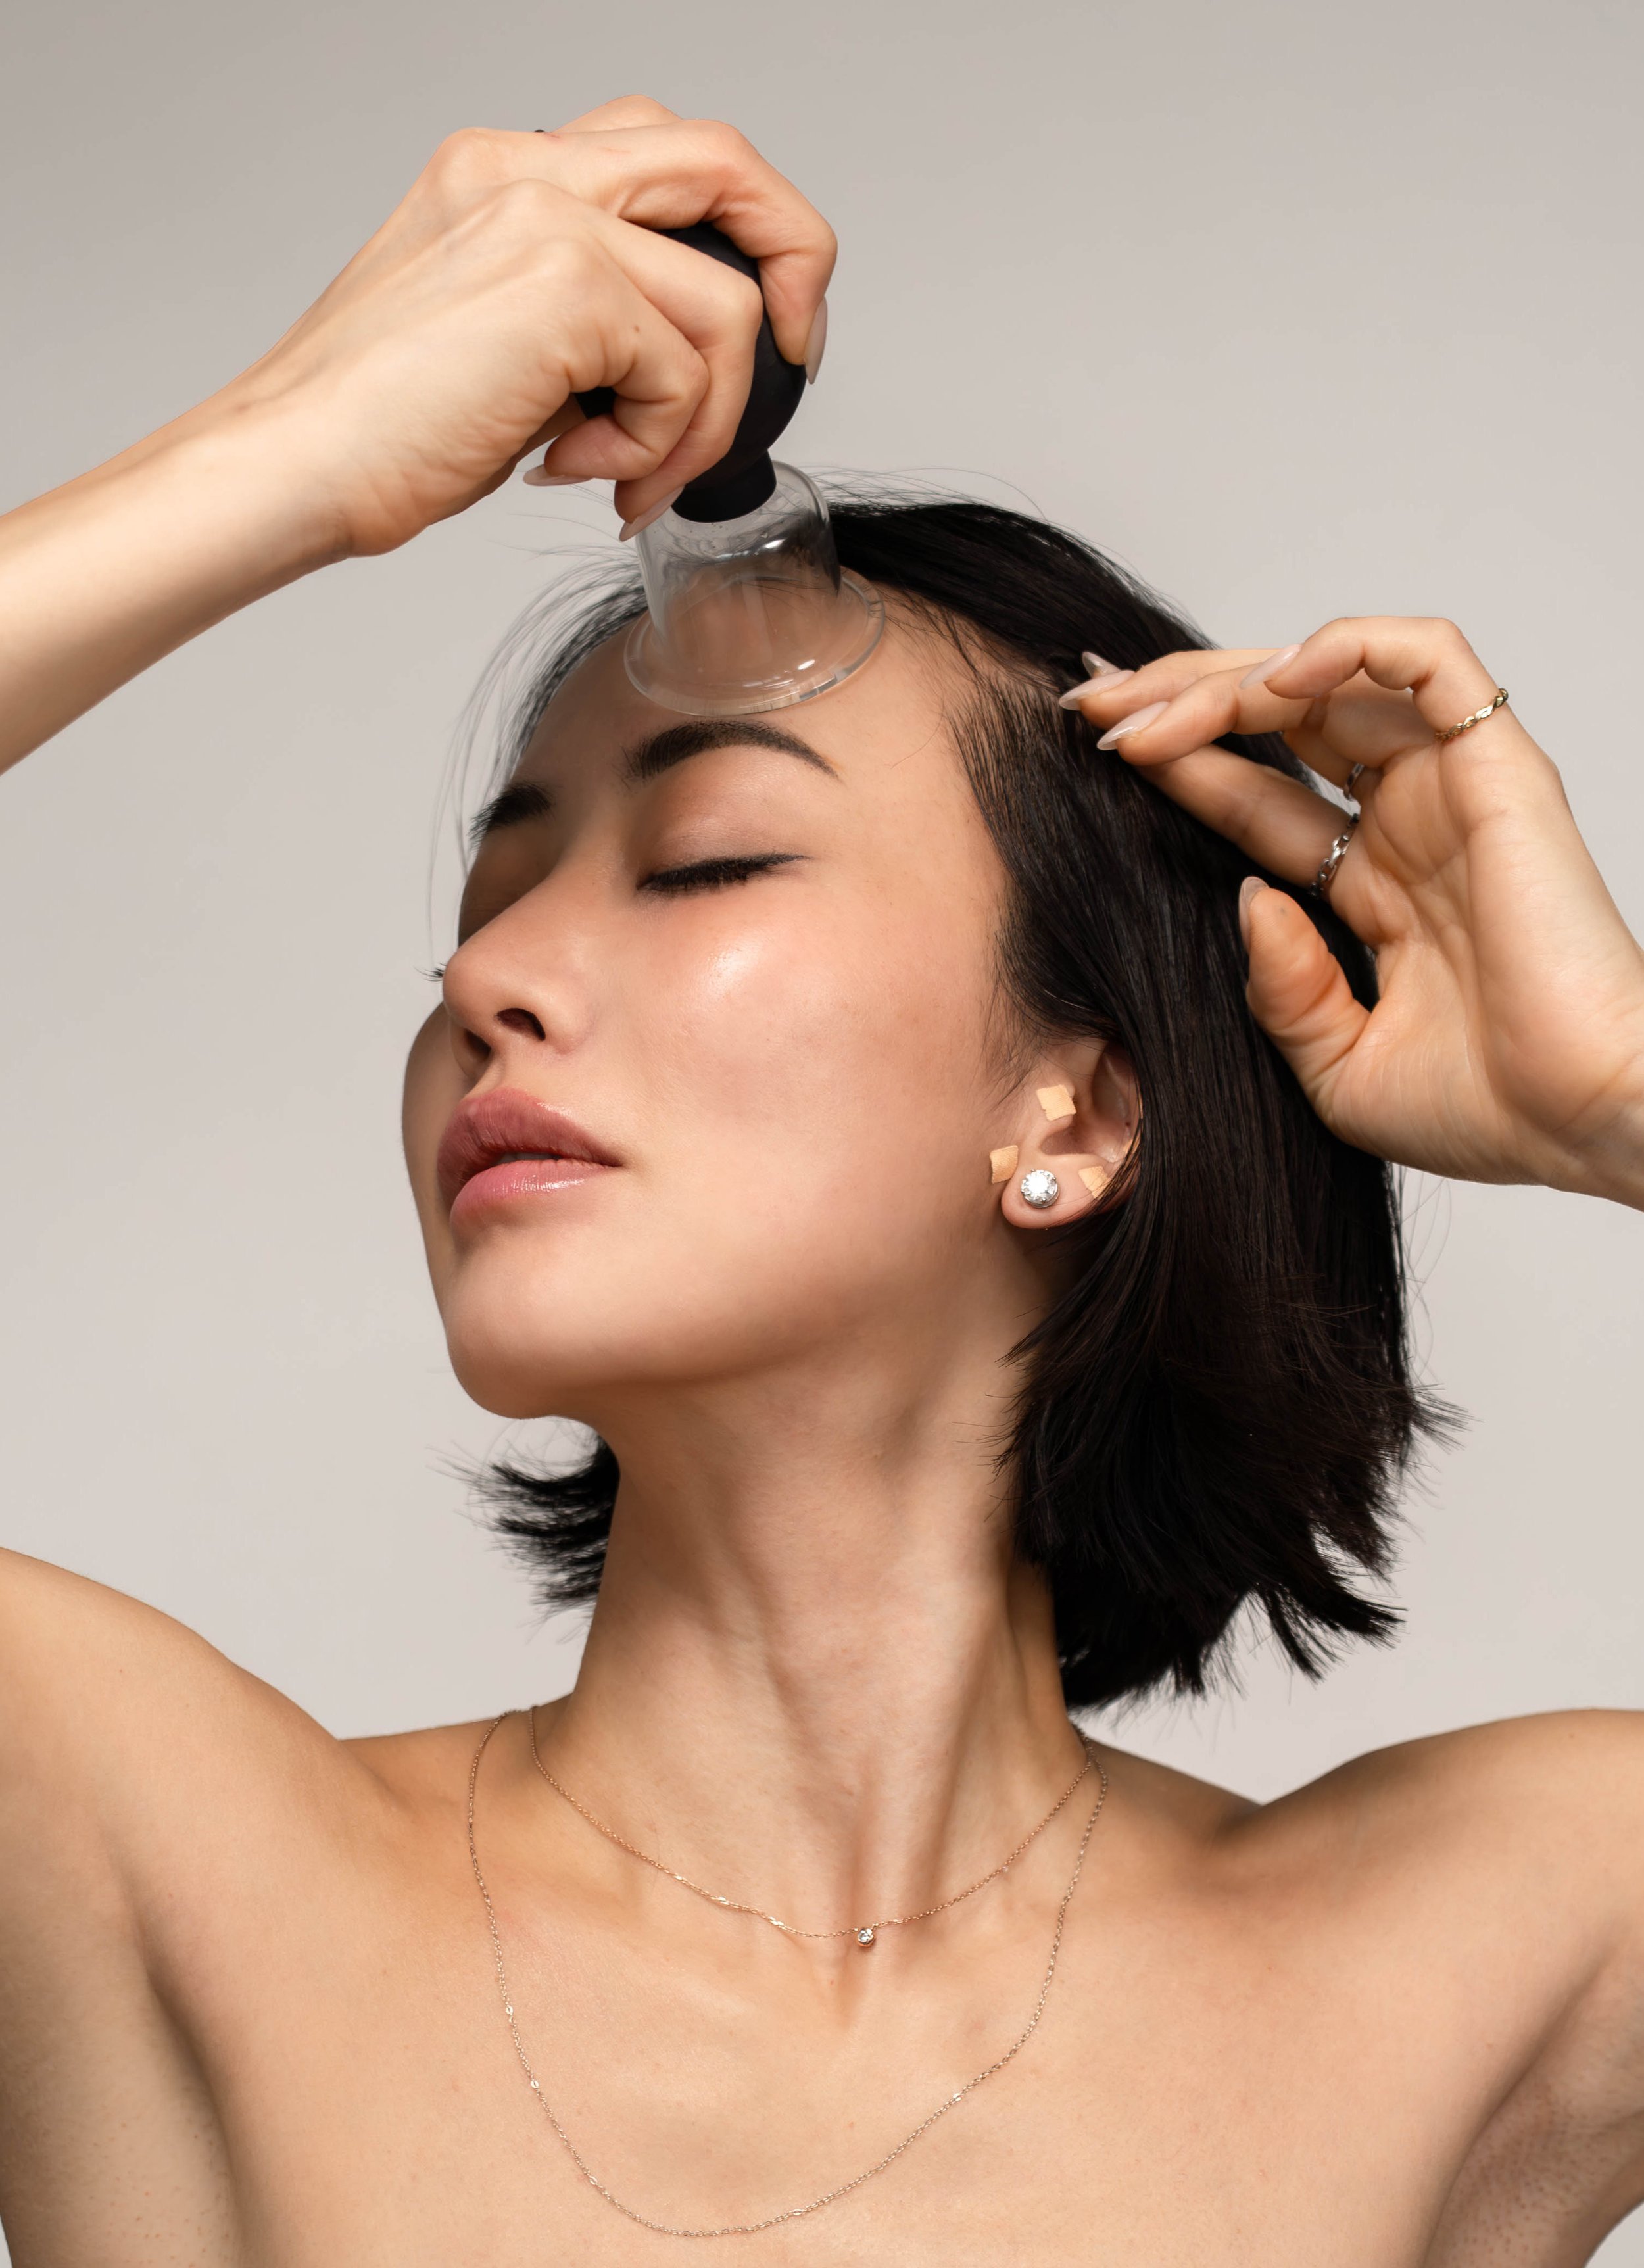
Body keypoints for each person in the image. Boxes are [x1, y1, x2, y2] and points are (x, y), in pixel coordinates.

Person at [2, 95, 1643, 2266]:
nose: (488, 974)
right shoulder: (134, 1840)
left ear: (1076, 1107)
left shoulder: (1497, 1938)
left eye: (706, 860)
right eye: (483, 902)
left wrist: (1624, 1101)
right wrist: (291, 449)